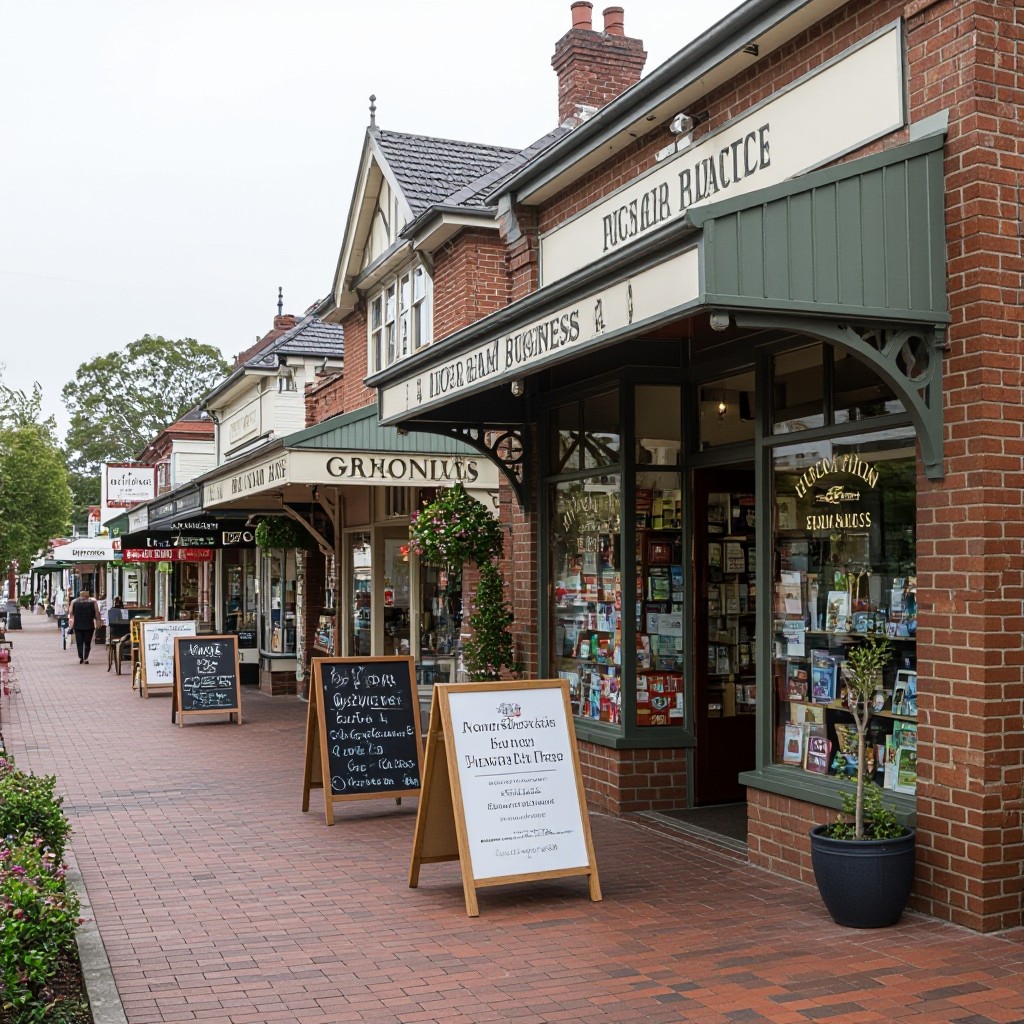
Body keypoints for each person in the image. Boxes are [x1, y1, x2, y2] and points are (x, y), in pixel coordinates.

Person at [68, 589, 103, 665]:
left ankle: (81, 657)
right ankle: (86, 657)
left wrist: (71, 623)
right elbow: (97, 613)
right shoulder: (93, 602)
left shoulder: (74, 602)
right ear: (88, 596)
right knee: (87, 642)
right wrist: (98, 622)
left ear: (80, 595)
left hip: (78, 625)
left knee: (79, 642)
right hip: (89, 625)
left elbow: (71, 613)